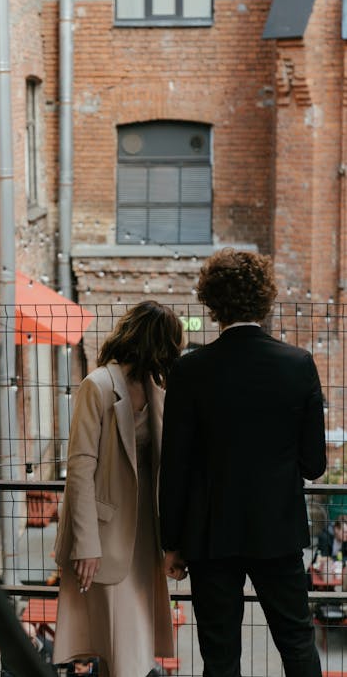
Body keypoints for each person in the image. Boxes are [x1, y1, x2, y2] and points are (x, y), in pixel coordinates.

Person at [159, 248, 326, 677]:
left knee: (220, 656)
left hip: (211, 535)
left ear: (212, 304)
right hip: (277, 530)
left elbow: (173, 466)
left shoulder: (190, 370)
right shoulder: (298, 365)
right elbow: (314, 465)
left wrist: (171, 542)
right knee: (297, 644)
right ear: (265, 300)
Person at [53, 301, 184, 677]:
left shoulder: (156, 390)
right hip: (105, 535)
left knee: (137, 644)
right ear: (155, 344)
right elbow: (79, 467)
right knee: (118, 647)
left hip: (146, 535)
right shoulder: (97, 386)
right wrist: (86, 543)